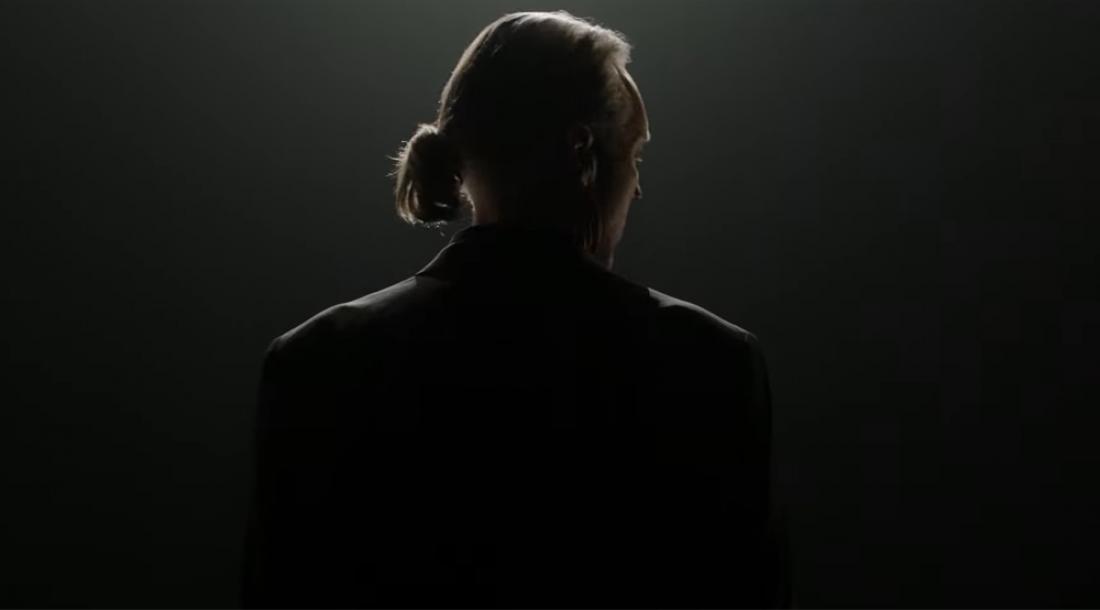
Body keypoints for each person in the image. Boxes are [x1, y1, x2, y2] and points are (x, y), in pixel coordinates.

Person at [242, 10, 790, 608]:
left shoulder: (319, 360)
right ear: (582, 150)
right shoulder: (706, 364)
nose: (636, 186)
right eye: (634, 154)